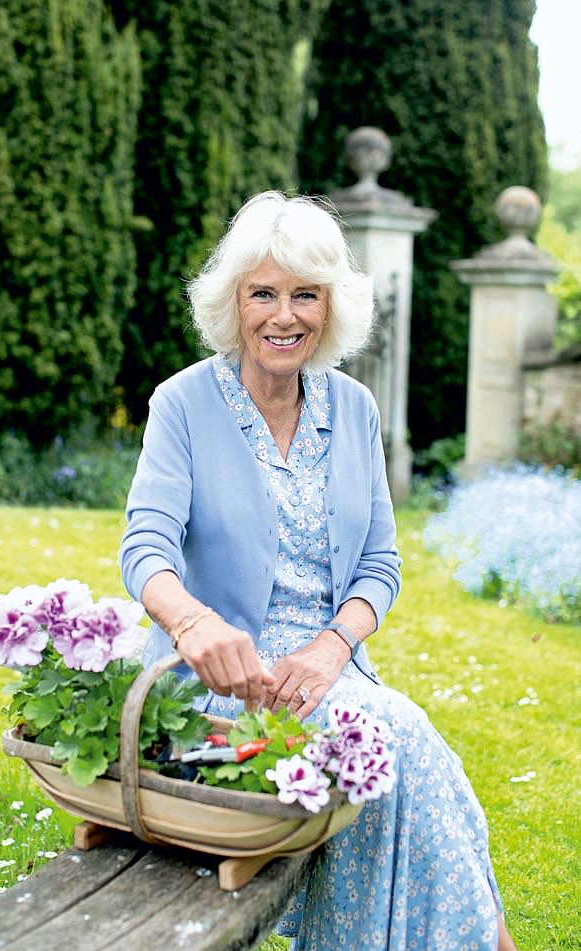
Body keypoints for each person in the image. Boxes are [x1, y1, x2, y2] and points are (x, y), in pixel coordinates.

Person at [120, 191, 517, 951]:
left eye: (305, 295)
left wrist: (333, 645)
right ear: (232, 302)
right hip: (220, 684)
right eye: (263, 292)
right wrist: (194, 623)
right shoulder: (182, 404)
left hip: (327, 668)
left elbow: (379, 563)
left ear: (329, 307)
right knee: (399, 738)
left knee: (403, 752)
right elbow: (145, 548)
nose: (284, 315)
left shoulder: (355, 408)